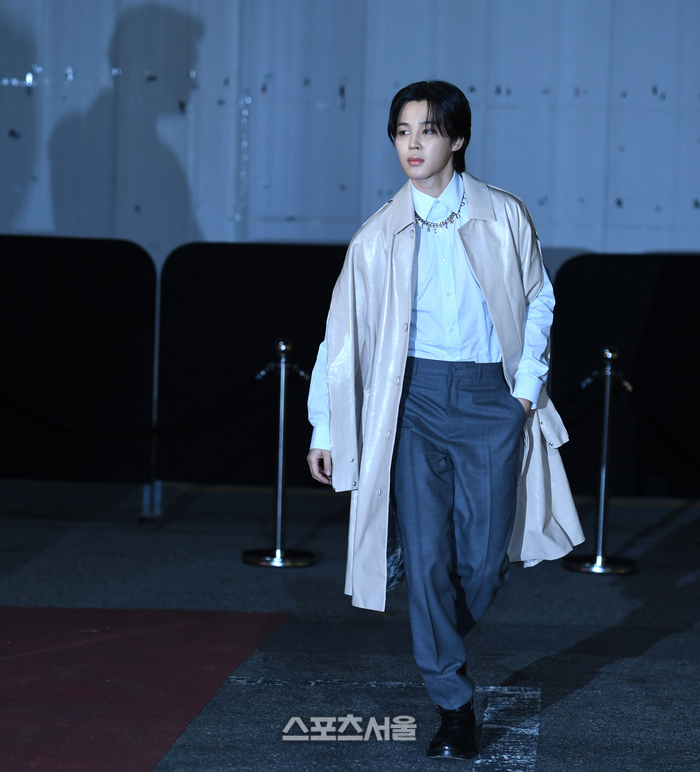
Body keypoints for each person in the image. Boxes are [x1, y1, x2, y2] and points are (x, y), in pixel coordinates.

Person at [306, 80, 583, 760]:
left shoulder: (502, 214)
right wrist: (326, 427)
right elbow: (342, 335)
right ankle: (453, 705)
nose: (412, 144)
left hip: (492, 398)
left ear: (456, 139)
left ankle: (435, 623)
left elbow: (538, 298)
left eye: (427, 130)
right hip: (414, 401)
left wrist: (524, 391)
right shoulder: (378, 234)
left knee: (484, 562)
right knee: (430, 558)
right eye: (402, 131)